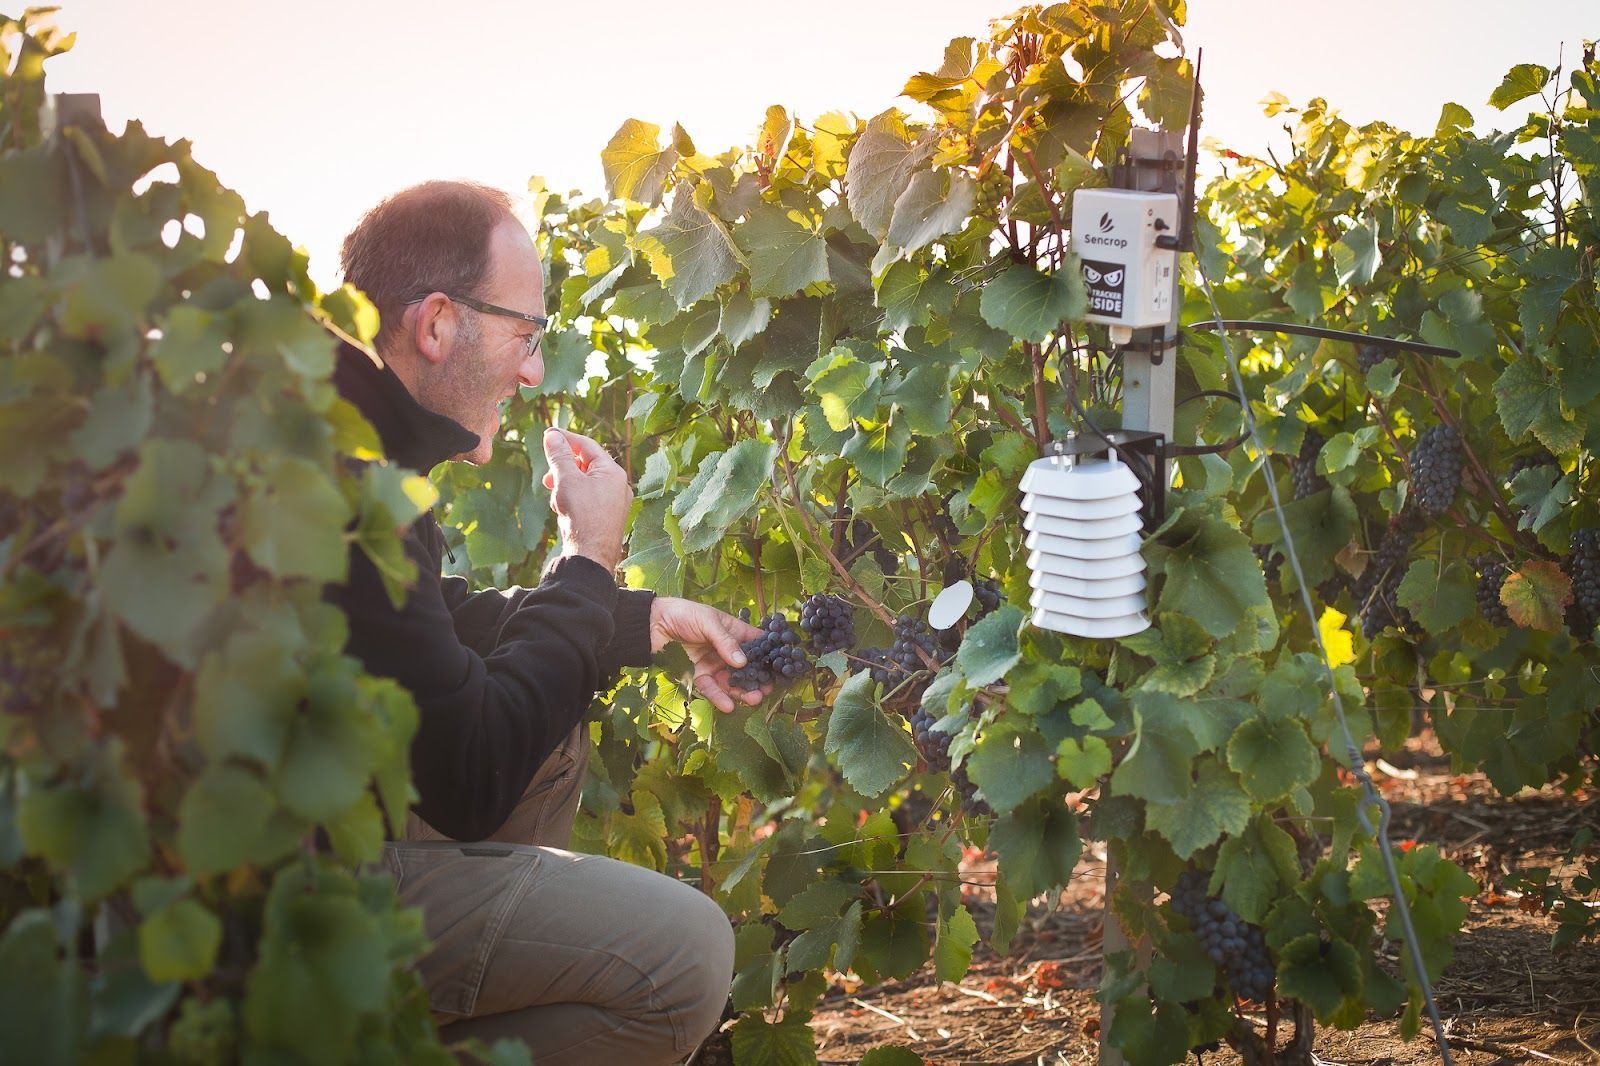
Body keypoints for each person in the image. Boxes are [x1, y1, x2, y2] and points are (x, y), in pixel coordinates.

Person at [327, 180, 756, 1063]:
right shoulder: (352, 474)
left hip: (278, 843)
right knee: (686, 955)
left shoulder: (326, 422)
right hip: (268, 906)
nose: (533, 371)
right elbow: (471, 774)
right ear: (437, 323)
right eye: (526, 336)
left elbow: (425, 622)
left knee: (550, 728)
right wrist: (587, 558)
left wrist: (641, 617)